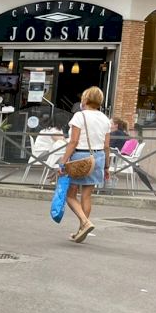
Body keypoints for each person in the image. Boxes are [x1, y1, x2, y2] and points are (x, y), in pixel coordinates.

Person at [58, 86, 109, 243]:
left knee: (70, 195)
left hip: (80, 157)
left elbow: (73, 141)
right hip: (98, 157)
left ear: (85, 99)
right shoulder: (105, 119)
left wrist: (63, 161)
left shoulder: (79, 116)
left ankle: (85, 223)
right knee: (86, 195)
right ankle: (81, 230)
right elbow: (107, 145)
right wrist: (107, 166)